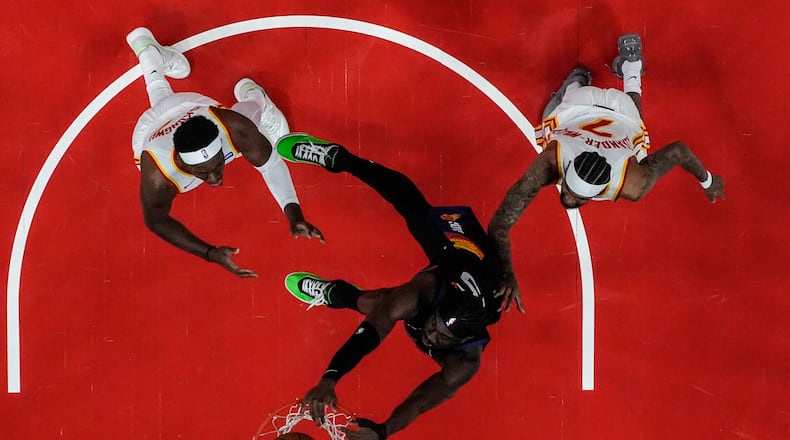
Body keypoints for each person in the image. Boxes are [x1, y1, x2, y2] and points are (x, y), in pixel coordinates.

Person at [275, 133, 503, 440]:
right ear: (435, 308)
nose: (430, 335)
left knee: (380, 303)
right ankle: (339, 158)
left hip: (478, 283)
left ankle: (340, 294)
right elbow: (374, 327)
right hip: (460, 254)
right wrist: (331, 377)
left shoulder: (464, 362)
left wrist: (383, 431)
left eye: (442, 337)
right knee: (410, 215)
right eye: (434, 325)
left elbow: (422, 400)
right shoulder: (425, 288)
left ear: (461, 340)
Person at [488, 34, 726, 313]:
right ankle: (587, 77)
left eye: (573, 195)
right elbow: (499, 225)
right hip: (589, 105)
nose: (568, 198)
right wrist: (507, 274)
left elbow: (678, 151)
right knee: (554, 126)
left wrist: (710, 181)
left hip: (610, 109)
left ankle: (629, 67)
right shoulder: (563, 166)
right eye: (569, 192)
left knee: (633, 140)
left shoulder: (628, 181)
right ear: (568, 167)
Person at [125, 27, 323, 277]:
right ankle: (150, 55)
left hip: (192, 107)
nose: (215, 178)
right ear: (182, 163)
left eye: (218, 165)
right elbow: (156, 220)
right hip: (149, 129)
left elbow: (270, 164)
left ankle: (256, 95)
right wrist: (208, 252)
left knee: (248, 117)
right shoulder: (157, 175)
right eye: (203, 172)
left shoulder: (230, 127)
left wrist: (294, 214)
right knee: (161, 98)